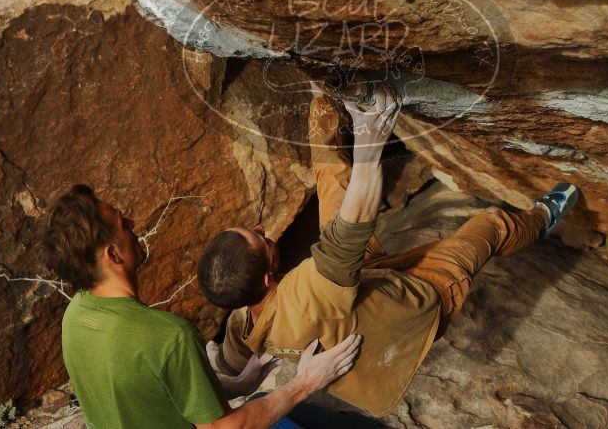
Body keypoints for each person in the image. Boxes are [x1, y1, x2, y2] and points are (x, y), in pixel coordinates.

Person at [197, 84, 579, 417]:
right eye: (260, 239)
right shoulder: (304, 293)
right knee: (491, 225)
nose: (263, 230)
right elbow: (356, 219)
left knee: (331, 181)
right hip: (417, 305)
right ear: (266, 277)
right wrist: (371, 135)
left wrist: (232, 379)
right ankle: (544, 219)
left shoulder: (244, 323)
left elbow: (233, 361)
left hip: (357, 287)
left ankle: (324, 96)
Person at [39, 184, 362, 428]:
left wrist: (237, 385)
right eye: (124, 224)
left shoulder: (76, 315)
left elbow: (149, 386)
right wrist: (306, 382)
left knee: (264, 400)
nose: (134, 222)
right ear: (113, 255)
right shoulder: (169, 335)